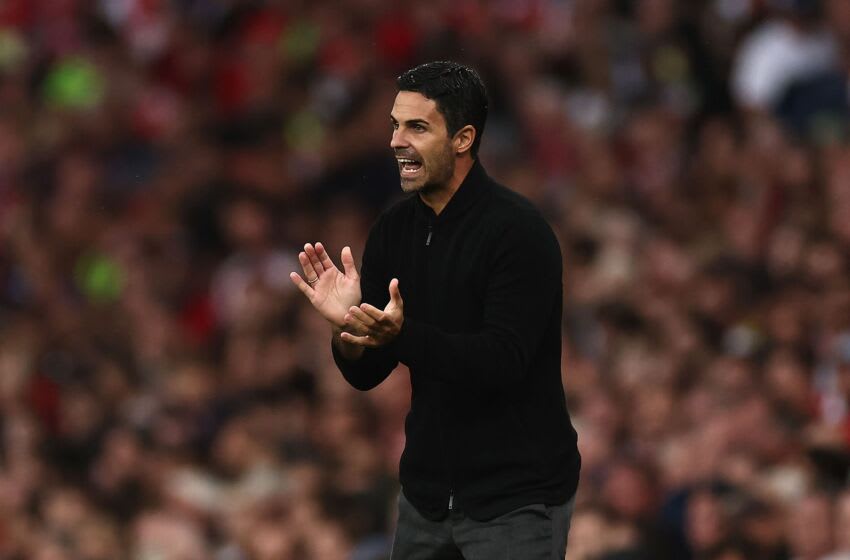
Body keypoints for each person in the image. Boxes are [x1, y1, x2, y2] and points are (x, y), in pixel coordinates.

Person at [290, 61, 580, 559]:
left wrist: (397, 337)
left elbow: (502, 360)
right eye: (395, 125)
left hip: (515, 501)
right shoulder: (393, 229)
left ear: (464, 138)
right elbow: (368, 372)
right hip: (426, 500)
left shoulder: (518, 233)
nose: (396, 141)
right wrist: (349, 330)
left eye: (416, 127)